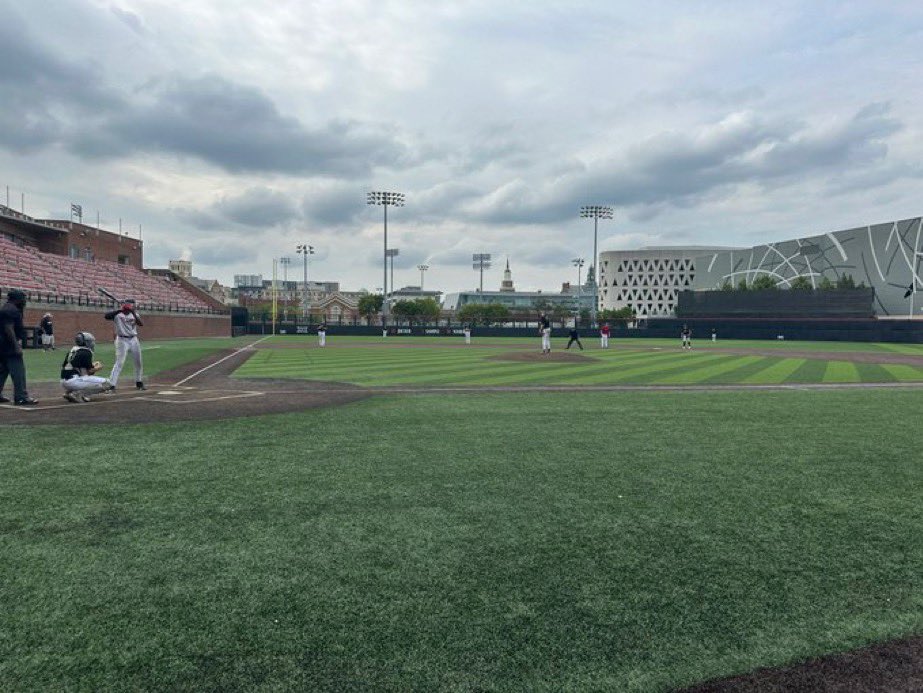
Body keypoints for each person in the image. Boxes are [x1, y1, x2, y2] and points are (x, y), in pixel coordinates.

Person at [0, 289, 38, 405]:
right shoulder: (11, 310)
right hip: (9, 346)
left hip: (2, 346)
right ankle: (21, 396)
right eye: (22, 298)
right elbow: (9, 329)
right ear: (16, 299)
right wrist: (16, 346)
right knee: (18, 371)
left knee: (2, 370)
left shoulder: (6, 308)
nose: (24, 301)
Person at [61, 332, 114, 402]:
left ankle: (68, 393)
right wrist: (98, 367)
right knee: (108, 384)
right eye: (90, 341)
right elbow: (89, 372)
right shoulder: (86, 352)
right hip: (74, 381)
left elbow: (75, 366)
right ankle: (77, 394)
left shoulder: (73, 350)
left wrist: (92, 365)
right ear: (85, 342)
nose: (92, 343)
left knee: (84, 378)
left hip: (64, 381)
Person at [105, 303, 146, 390]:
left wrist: (133, 312)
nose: (126, 311)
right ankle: (112, 385)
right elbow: (106, 316)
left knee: (138, 362)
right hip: (122, 340)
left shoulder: (134, 315)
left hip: (134, 339)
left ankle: (139, 382)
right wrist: (120, 310)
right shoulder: (117, 315)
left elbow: (141, 324)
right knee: (119, 363)